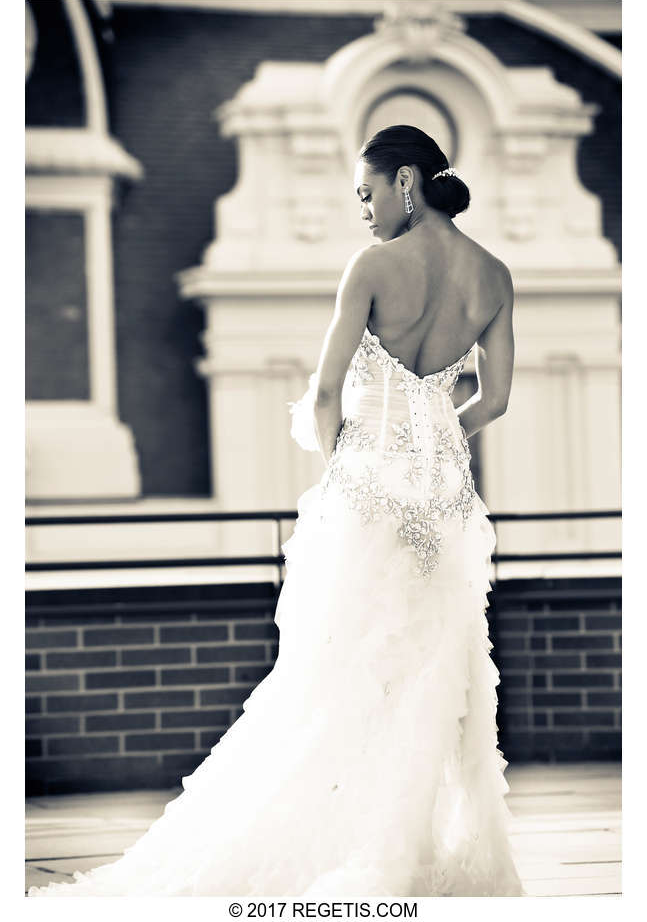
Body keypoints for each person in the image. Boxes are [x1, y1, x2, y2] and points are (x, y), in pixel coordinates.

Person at [28, 125, 524, 897]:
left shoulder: (372, 266)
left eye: (366, 194)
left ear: (405, 182)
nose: (362, 211)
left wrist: (350, 472)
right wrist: (430, 438)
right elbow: (492, 400)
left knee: (331, 672)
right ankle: (408, 854)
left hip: (367, 495)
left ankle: (343, 846)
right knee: (429, 671)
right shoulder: (493, 275)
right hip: (445, 500)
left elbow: (325, 397)